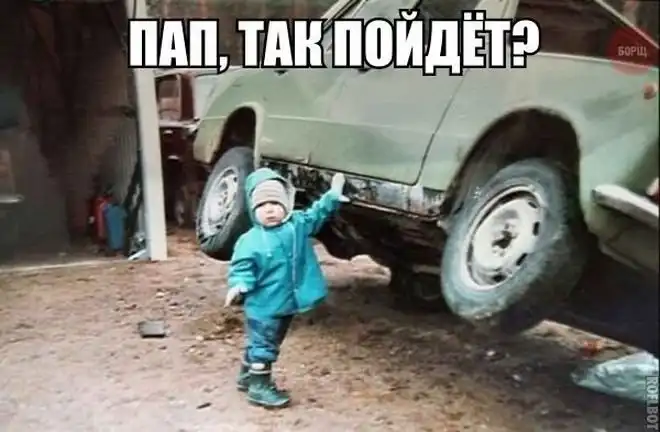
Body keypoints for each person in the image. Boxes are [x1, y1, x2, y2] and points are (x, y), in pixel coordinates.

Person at [224, 167, 349, 408]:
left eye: (275, 203)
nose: (269, 209)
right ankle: (259, 387)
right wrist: (239, 284)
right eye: (262, 205)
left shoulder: (296, 225)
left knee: (266, 341)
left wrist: (332, 197)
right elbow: (241, 267)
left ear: (286, 204)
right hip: (263, 306)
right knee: (264, 345)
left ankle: (247, 375)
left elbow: (316, 214)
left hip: (286, 303)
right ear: (252, 209)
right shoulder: (249, 241)